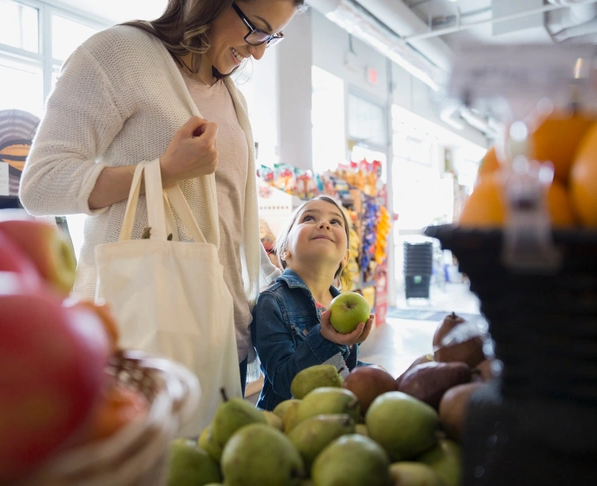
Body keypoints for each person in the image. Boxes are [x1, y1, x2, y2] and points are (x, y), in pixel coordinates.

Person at [19, 0, 305, 394]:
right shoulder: (118, 55)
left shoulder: (230, 94)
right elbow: (41, 184)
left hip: (226, 338)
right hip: (145, 338)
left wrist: (288, 288)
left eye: (271, 37)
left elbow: (229, 218)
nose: (257, 50)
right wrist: (162, 172)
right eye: (255, 28)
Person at [252, 195, 375, 411]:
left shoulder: (347, 304)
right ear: (285, 250)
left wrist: (372, 374)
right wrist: (325, 339)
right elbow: (284, 382)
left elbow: (342, 371)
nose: (324, 224)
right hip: (288, 423)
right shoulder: (272, 301)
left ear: (344, 258)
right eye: (309, 218)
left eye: (335, 222)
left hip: (334, 415)